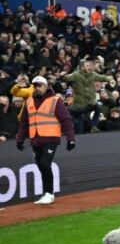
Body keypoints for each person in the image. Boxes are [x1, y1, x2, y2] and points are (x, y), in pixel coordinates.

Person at [15, 76, 76, 205]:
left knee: (44, 164)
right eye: (35, 85)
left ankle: (49, 193)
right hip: (36, 139)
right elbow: (24, 122)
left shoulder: (55, 100)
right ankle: (47, 193)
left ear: (46, 86)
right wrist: (20, 139)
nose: (37, 88)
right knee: (41, 166)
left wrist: (70, 139)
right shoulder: (29, 101)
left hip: (51, 138)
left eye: (40, 85)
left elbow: (66, 120)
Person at [63, 59, 111, 134]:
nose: (90, 67)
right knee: (78, 119)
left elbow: (102, 78)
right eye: (87, 66)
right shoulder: (76, 75)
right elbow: (67, 78)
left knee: (97, 107)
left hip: (88, 103)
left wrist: (109, 78)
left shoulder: (93, 74)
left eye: (90, 65)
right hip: (79, 105)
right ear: (82, 67)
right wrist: (64, 75)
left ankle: (93, 126)